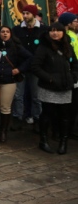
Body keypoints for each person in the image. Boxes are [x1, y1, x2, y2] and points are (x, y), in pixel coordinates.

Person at [30, 22, 78, 154]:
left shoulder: (67, 47)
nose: (55, 33)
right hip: (49, 87)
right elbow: (35, 66)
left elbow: (74, 63)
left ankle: (63, 142)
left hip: (65, 86)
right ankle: (43, 140)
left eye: (57, 30)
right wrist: (50, 78)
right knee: (47, 114)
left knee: (64, 116)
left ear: (63, 32)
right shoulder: (43, 47)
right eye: (52, 30)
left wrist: (73, 76)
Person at [0, 26, 32, 142]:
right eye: (2, 32)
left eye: (7, 32)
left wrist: (19, 69)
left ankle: (3, 132)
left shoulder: (16, 47)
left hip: (9, 81)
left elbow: (29, 58)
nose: (5, 34)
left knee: (5, 107)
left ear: (10, 34)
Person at [12, 4, 47, 126]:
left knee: (36, 96)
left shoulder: (43, 30)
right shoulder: (16, 30)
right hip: (20, 67)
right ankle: (18, 117)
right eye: (24, 13)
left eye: (28, 13)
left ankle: (37, 118)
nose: (25, 16)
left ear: (34, 14)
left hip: (36, 68)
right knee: (18, 95)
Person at [58, 13, 78, 139]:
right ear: (68, 23)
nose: (76, 23)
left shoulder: (74, 35)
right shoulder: (67, 37)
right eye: (75, 21)